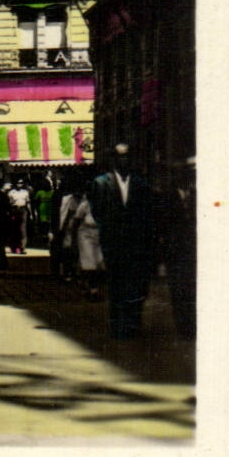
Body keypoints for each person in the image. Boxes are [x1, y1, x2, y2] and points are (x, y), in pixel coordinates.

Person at [89, 143, 156, 339]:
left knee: (136, 285)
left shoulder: (141, 183)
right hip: (114, 244)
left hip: (137, 245)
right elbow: (97, 211)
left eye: (127, 156)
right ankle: (118, 326)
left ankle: (133, 324)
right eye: (120, 156)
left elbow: (148, 213)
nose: (123, 160)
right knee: (117, 285)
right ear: (113, 160)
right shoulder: (101, 183)